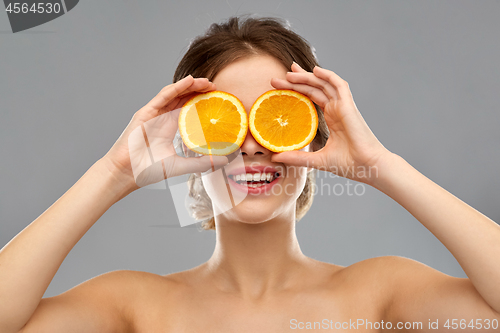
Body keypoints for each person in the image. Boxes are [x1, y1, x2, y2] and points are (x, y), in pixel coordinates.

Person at [1, 15, 499, 333]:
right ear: (187, 139)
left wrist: (381, 166)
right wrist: (115, 172)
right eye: (225, 121)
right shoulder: (134, 305)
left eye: (275, 118)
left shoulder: (377, 295)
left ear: (316, 136)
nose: (253, 143)